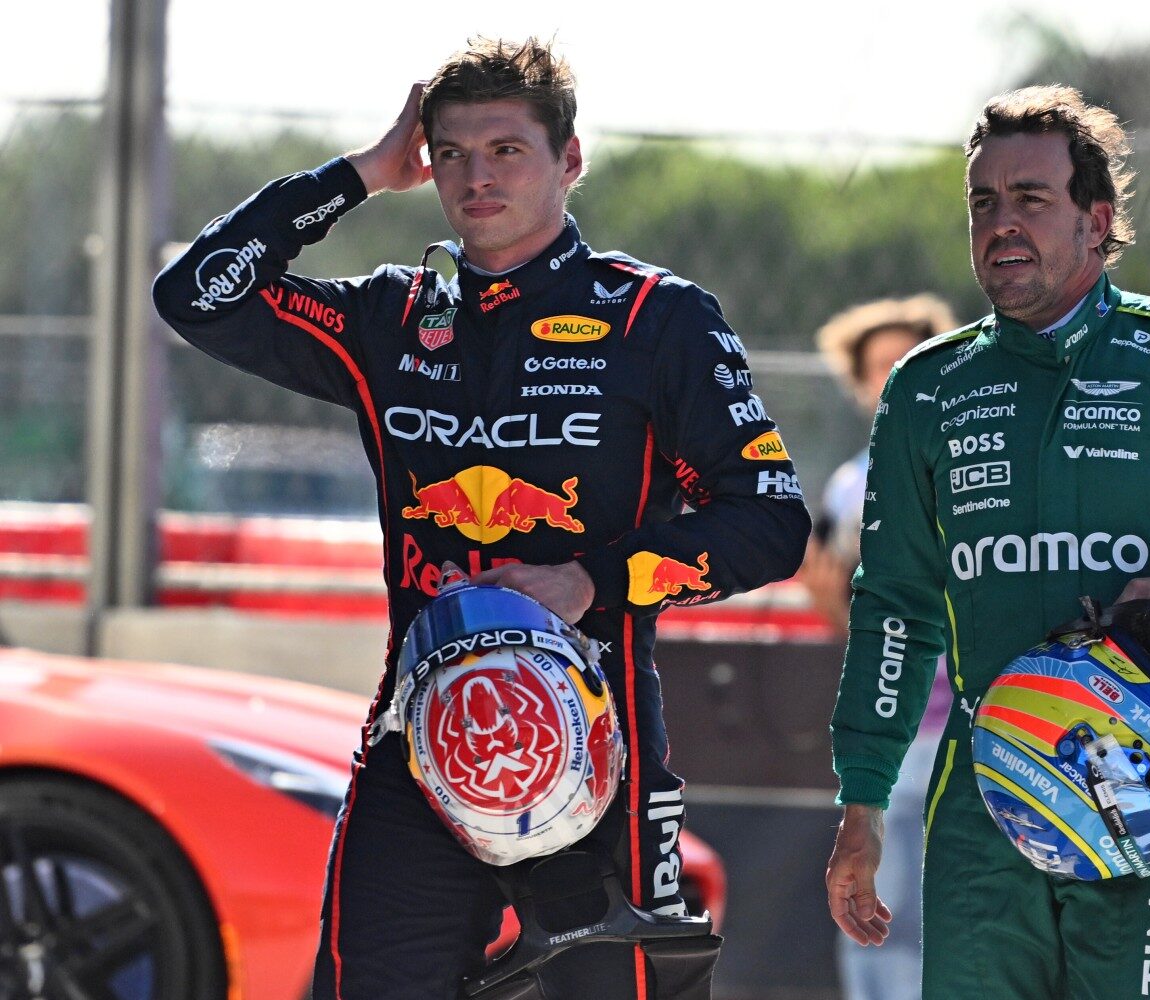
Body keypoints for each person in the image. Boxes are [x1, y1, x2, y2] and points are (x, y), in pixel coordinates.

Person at [153, 37, 810, 1000]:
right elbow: (197, 294)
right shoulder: (391, 315)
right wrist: (359, 176)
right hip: (415, 743)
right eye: (451, 152)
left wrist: (592, 579)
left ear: (569, 160)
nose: (475, 175)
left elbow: (771, 523)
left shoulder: (657, 318)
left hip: (599, 745)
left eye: (506, 150)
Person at [822, 84, 1150, 999]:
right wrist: (862, 800)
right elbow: (894, 605)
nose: (1001, 224)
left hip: (1146, 786)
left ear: (1097, 219)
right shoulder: (927, 386)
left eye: (1031, 199)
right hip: (981, 805)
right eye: (983, 202)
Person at [801, 296, 956, 1000]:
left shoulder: (976, 464)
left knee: (943, 916)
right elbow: (850, 609)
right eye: (879, 367)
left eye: (909, 360)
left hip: (976, 725)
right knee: (869, 905)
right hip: (892, 724)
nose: (893, 376)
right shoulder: (847, 484)